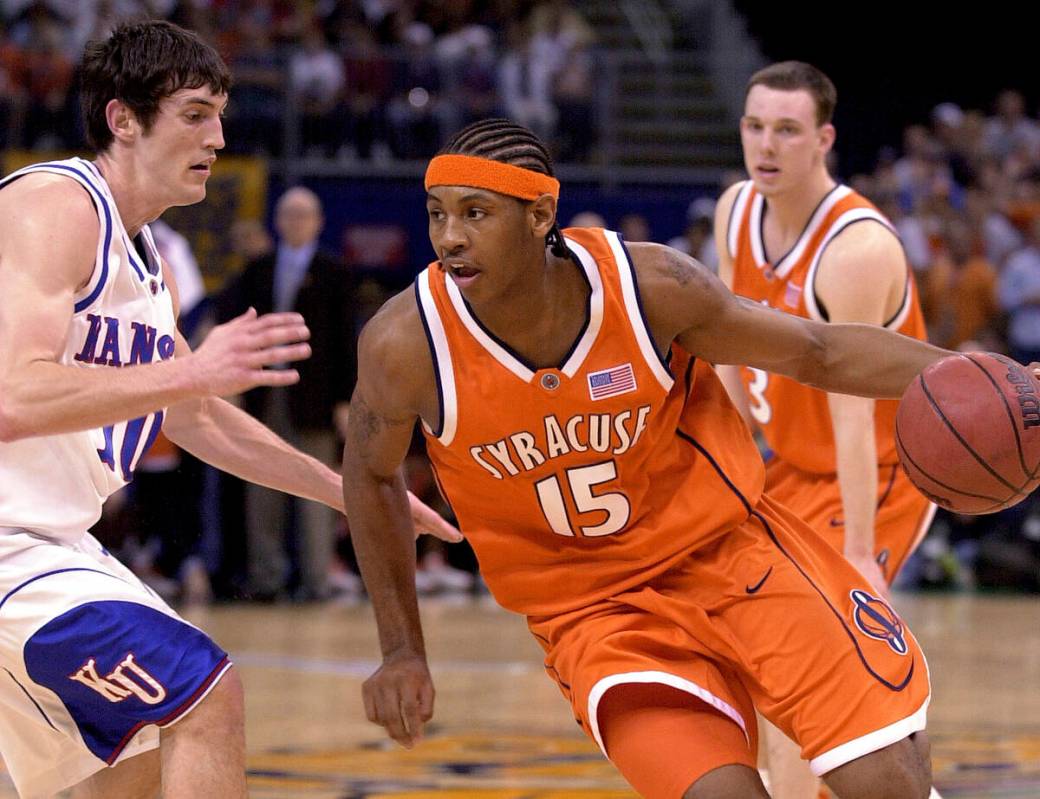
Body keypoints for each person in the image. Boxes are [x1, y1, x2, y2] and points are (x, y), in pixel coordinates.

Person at [342, 118, 951, 799]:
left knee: (882, 777)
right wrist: (401, 647)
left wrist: (973, 374)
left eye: (474, 213)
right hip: (595, 613)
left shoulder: (650, 287)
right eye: (437, 215)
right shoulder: (406, 344)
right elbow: (368, 471)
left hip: (730, 553)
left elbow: (816, 348)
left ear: (540, 214)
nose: (449, 237)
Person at [0, 20, 457, 799]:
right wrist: (193, 371)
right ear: (123, 118)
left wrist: (354, 491)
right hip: (10, 544)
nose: (218, 134)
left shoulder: (148, 261)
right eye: (194, 113)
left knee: (132, 760)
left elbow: (197, 417)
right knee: (203, 694)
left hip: (51, 541)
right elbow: (11, 394)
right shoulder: (55, 204)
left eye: (220, 113)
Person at [713, 62, 936, 798]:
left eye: (787, 129)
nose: (765, 144)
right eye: (754, 126)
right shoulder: (735, 211)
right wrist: (725, 479)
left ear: (824, 139)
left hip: (879, 470)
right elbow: (724, 353)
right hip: (791, 466)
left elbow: (853, 412)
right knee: (748, 656)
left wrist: (858, 555)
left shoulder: (856, 249)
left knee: (804, 660)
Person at [221, 186, 358, 602]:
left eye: (304, 215)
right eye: (289, 215)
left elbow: (345, 341)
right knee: (261, 491)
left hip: (314, 399)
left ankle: (316, 582)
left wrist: (345, 401)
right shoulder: (258, 270)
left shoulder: (335, 272)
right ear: (278, 222)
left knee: (317, 489)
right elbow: (235, 326)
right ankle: (267, 579)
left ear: (317, 222)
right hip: (264, 395)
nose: (296, 222)